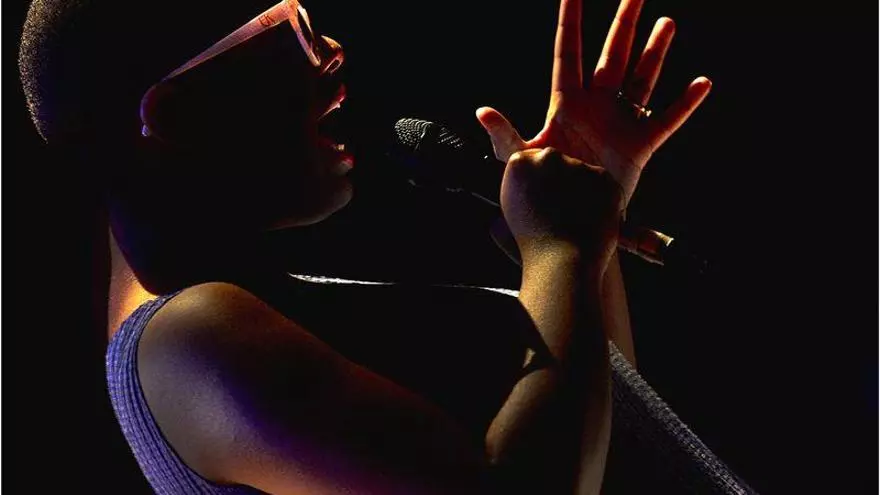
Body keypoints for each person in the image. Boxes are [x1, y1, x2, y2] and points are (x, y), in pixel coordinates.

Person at [21, 0, 755, 492]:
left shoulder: (254, 316)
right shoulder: (191, 339)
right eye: (290, 28)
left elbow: (605, 434)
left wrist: (582, 251)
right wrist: (558, 251)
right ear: (176, 114)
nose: (332, 53)